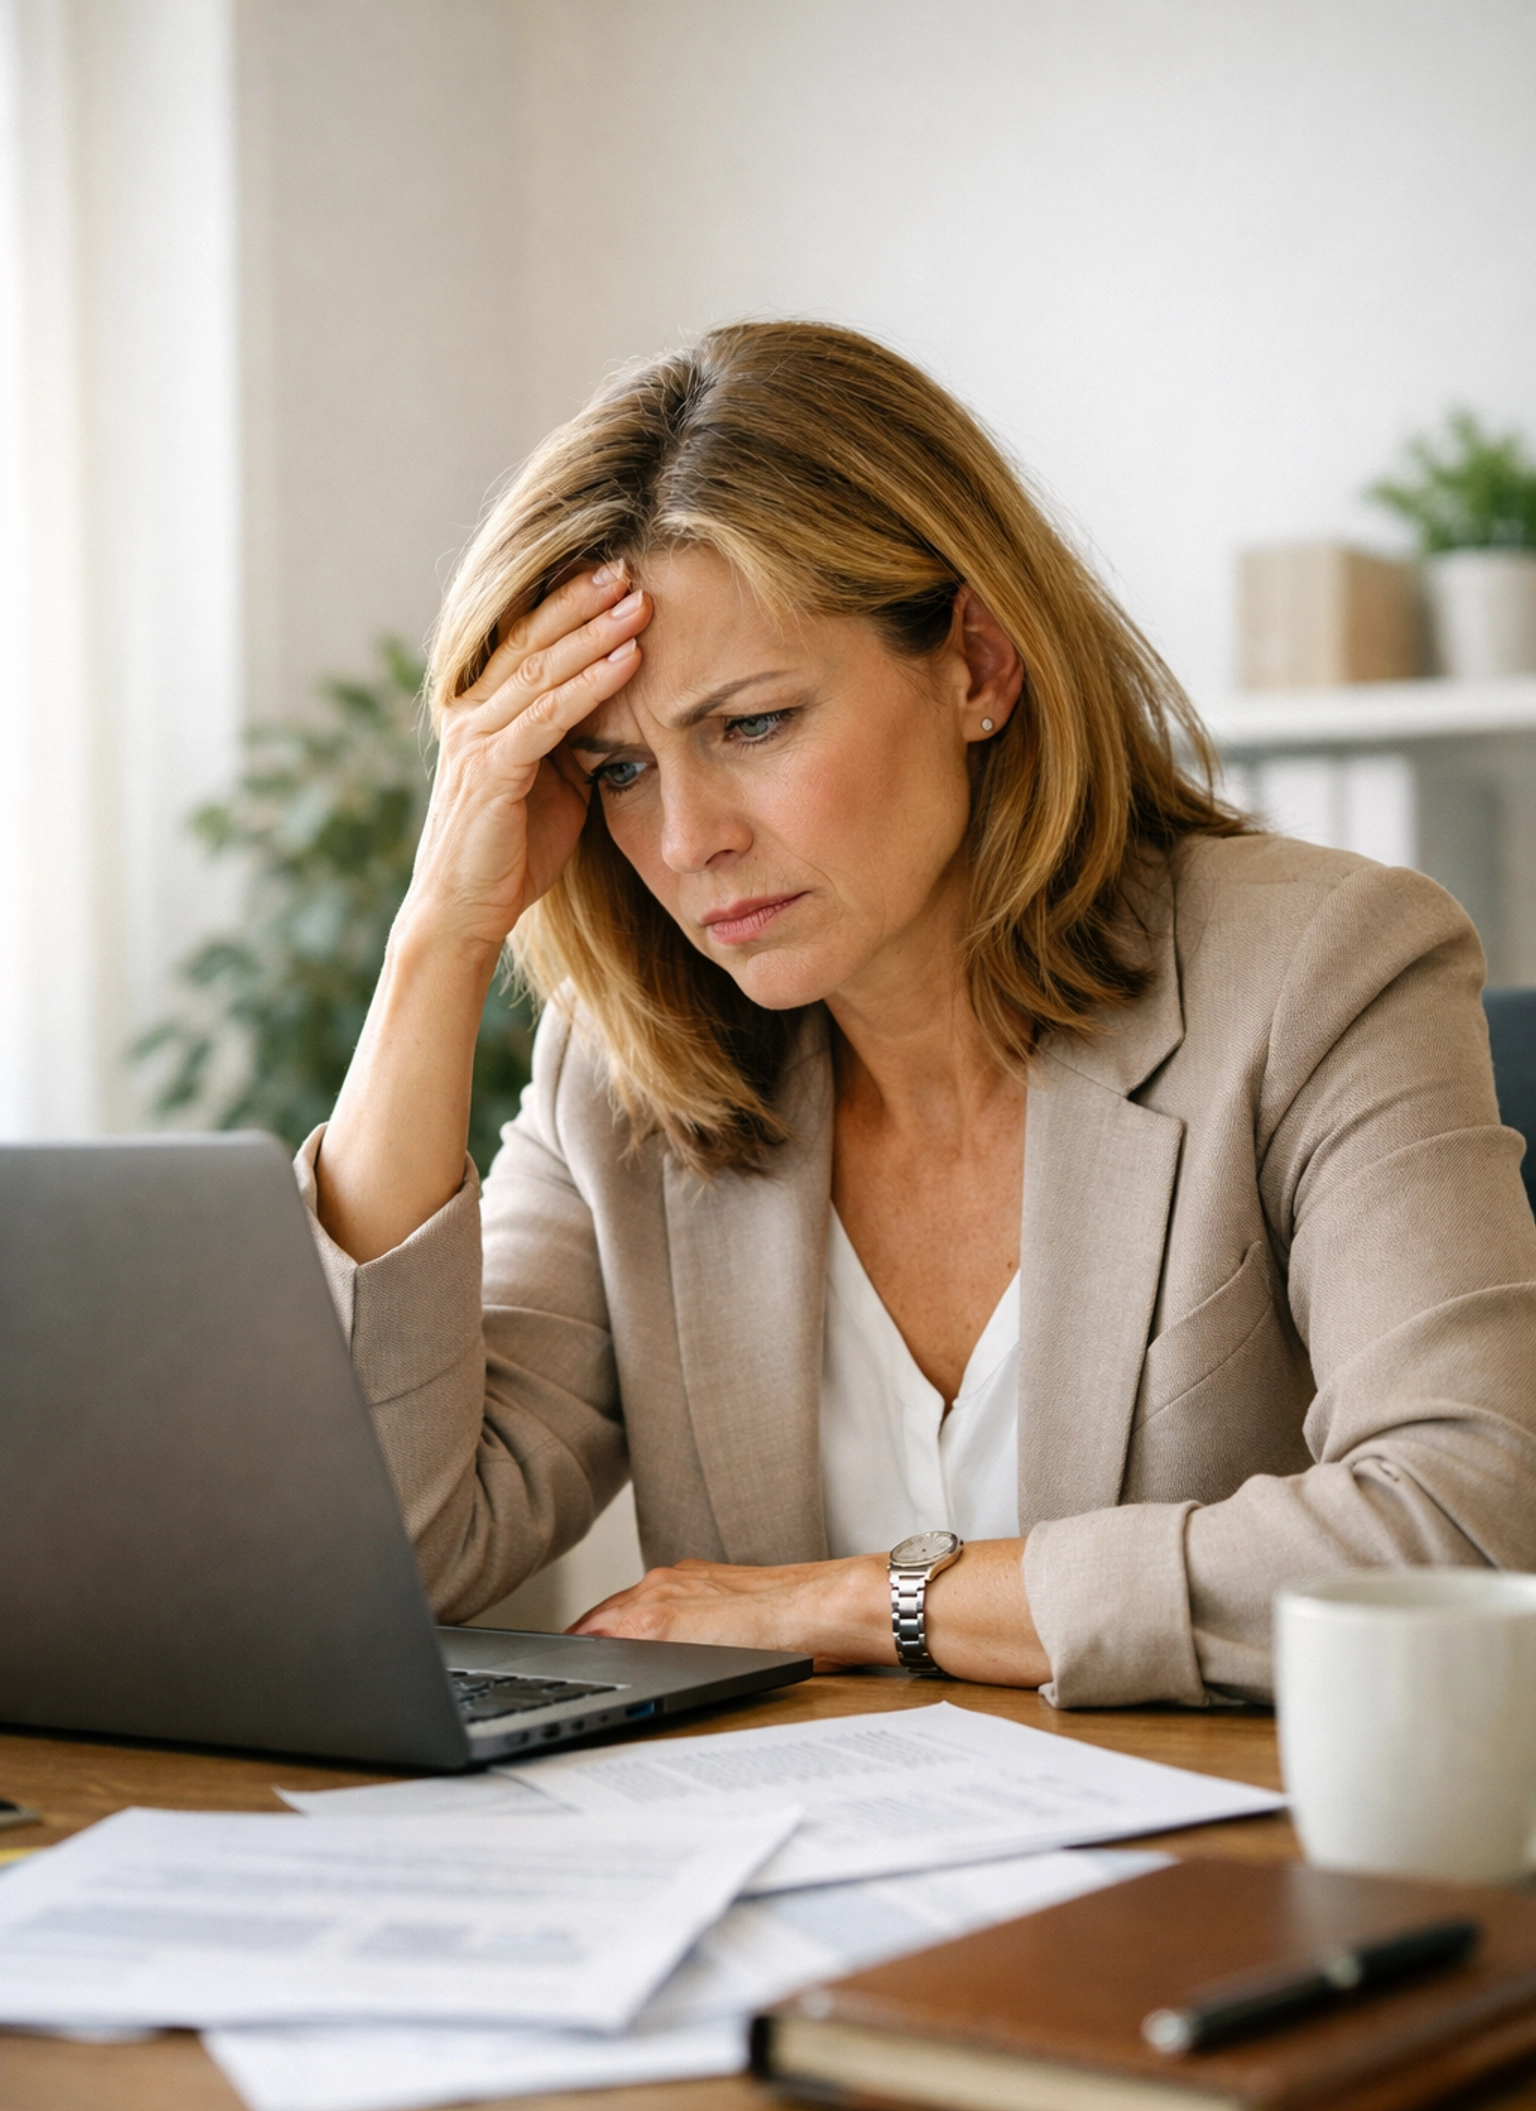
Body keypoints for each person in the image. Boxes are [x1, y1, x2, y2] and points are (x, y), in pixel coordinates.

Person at [303, 320, 1536, 1706]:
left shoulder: (1322, 970)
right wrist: (439, 943)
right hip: (790, 1890)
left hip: (1223, 1888)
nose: (687, 839)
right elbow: (393, 1554)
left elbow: (1464, 1524)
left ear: (977, 666)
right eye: (617, 770)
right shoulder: (623, 1077)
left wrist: (866, 1601)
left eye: (752, 724)